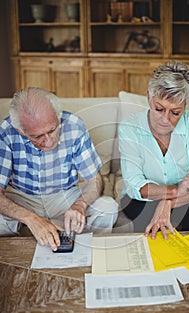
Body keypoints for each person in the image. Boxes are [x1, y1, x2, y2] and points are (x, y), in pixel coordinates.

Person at [0, 87, 118, 250]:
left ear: (57, 116)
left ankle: (86, 254)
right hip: (22, 197)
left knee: (108, 208)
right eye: (37, 136)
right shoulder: (6, 131)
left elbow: (94, 179)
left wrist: (80, 206)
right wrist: (31, 219)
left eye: (52, 130)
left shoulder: (74, 126)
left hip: (64, 196)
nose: (48, 141)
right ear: (20, 130)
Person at [118, 60, 189, 239]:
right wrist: (174, 192)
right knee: (151, 237)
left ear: (185, 106)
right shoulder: (130, 127)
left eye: (175, 112)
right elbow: (135, 184)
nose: (165, 119)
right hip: (144, 200)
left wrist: (169, 203)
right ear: (148, 97)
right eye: (159, 109)